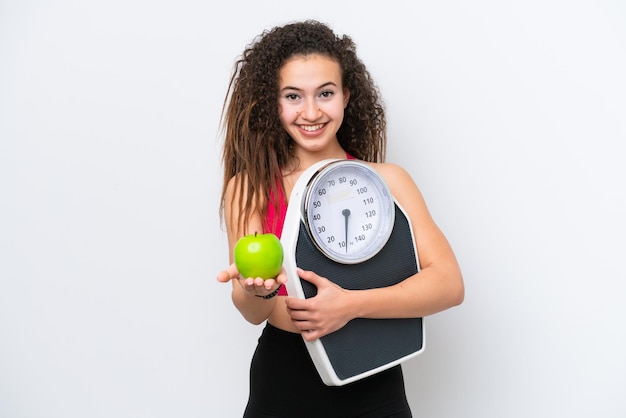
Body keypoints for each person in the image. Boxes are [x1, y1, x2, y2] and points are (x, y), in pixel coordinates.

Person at [216, 20, 464, 418]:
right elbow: (253, 312)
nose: (311, 112)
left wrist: (350, 305)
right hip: (284, 382)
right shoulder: (248, 189)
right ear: (271, 102)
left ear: (346, 96)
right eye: (293, 96)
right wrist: (257, 291)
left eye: (325, 93)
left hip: (374, 377)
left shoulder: (389, 181)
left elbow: (448, 284)